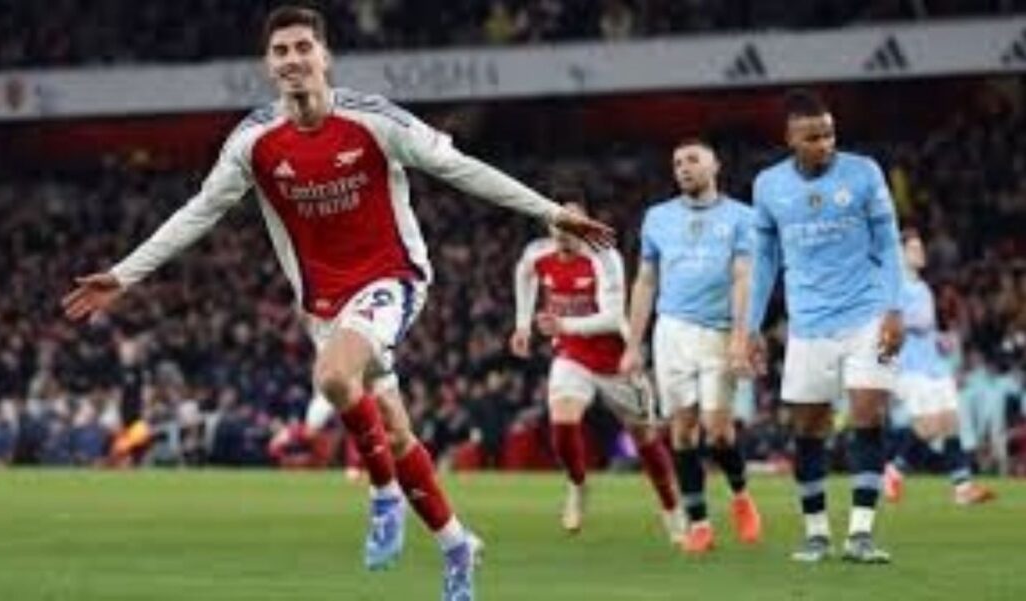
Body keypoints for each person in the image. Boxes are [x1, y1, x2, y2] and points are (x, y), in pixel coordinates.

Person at [60, 6, 613, 599]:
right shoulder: (254, 142)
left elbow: (461, 169)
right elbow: (199, 212)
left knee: (332, 376)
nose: (293, 59)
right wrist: (123, 275)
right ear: (268, 66)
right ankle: (457, 545)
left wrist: (550, 211)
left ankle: (382, 497)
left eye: (303, 47)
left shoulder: (374, 120)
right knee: (397, 436)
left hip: (392, 278)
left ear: (325, 57)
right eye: (281, 51)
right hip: (323, 303)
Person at [740, 89, 905, 564]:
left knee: (867, 413)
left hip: (866, 314)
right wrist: (750, 327)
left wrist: (894, 309)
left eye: (829, 133)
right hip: (809, 324)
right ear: (790, 137)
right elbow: (766, 259)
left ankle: (861, 534)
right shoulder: (768, 185)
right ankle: (816, 534)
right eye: (813, 137)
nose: (824, 144)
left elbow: (889, 244)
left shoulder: (864, 172)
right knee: (808, 429)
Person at [511, 196, 683, 542]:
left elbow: (610, 317)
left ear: (586, 225)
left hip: (616, 360)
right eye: (558, 224)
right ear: (550, 226)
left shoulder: (604, 257)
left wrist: (563, 325)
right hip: (572, 356)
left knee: (645, 439)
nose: (564, 232)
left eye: (573, 224)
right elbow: (524, 275)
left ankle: (671, 508)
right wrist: (523, 324)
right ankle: (577, 484)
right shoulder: (537, 254)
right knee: (561, 422)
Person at [621, 139, 762, 554]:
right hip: (672, 332)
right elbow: (645, 281)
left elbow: (742, 278)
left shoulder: (741, 217)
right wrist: (633, 343)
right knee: (681, 430)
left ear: (714, 165)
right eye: (677, 161)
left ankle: (740, 495)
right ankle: (699, 522)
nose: (683, 167)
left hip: (719, 331)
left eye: (693, 160)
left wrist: (739, 337)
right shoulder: (657, 218)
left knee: (718, 430)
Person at [883, 230, 995, 505]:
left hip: (934, 364)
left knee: (951, 422)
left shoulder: (922, 288)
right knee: (929, 427)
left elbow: (926, 327)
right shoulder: (892, 287)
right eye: (913, 249)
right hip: (910, 367)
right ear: (899, 254)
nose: (920, 253)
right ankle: (894, 470)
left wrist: (941, 340)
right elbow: (890, 325)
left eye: (920, 248)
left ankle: (962, 488)